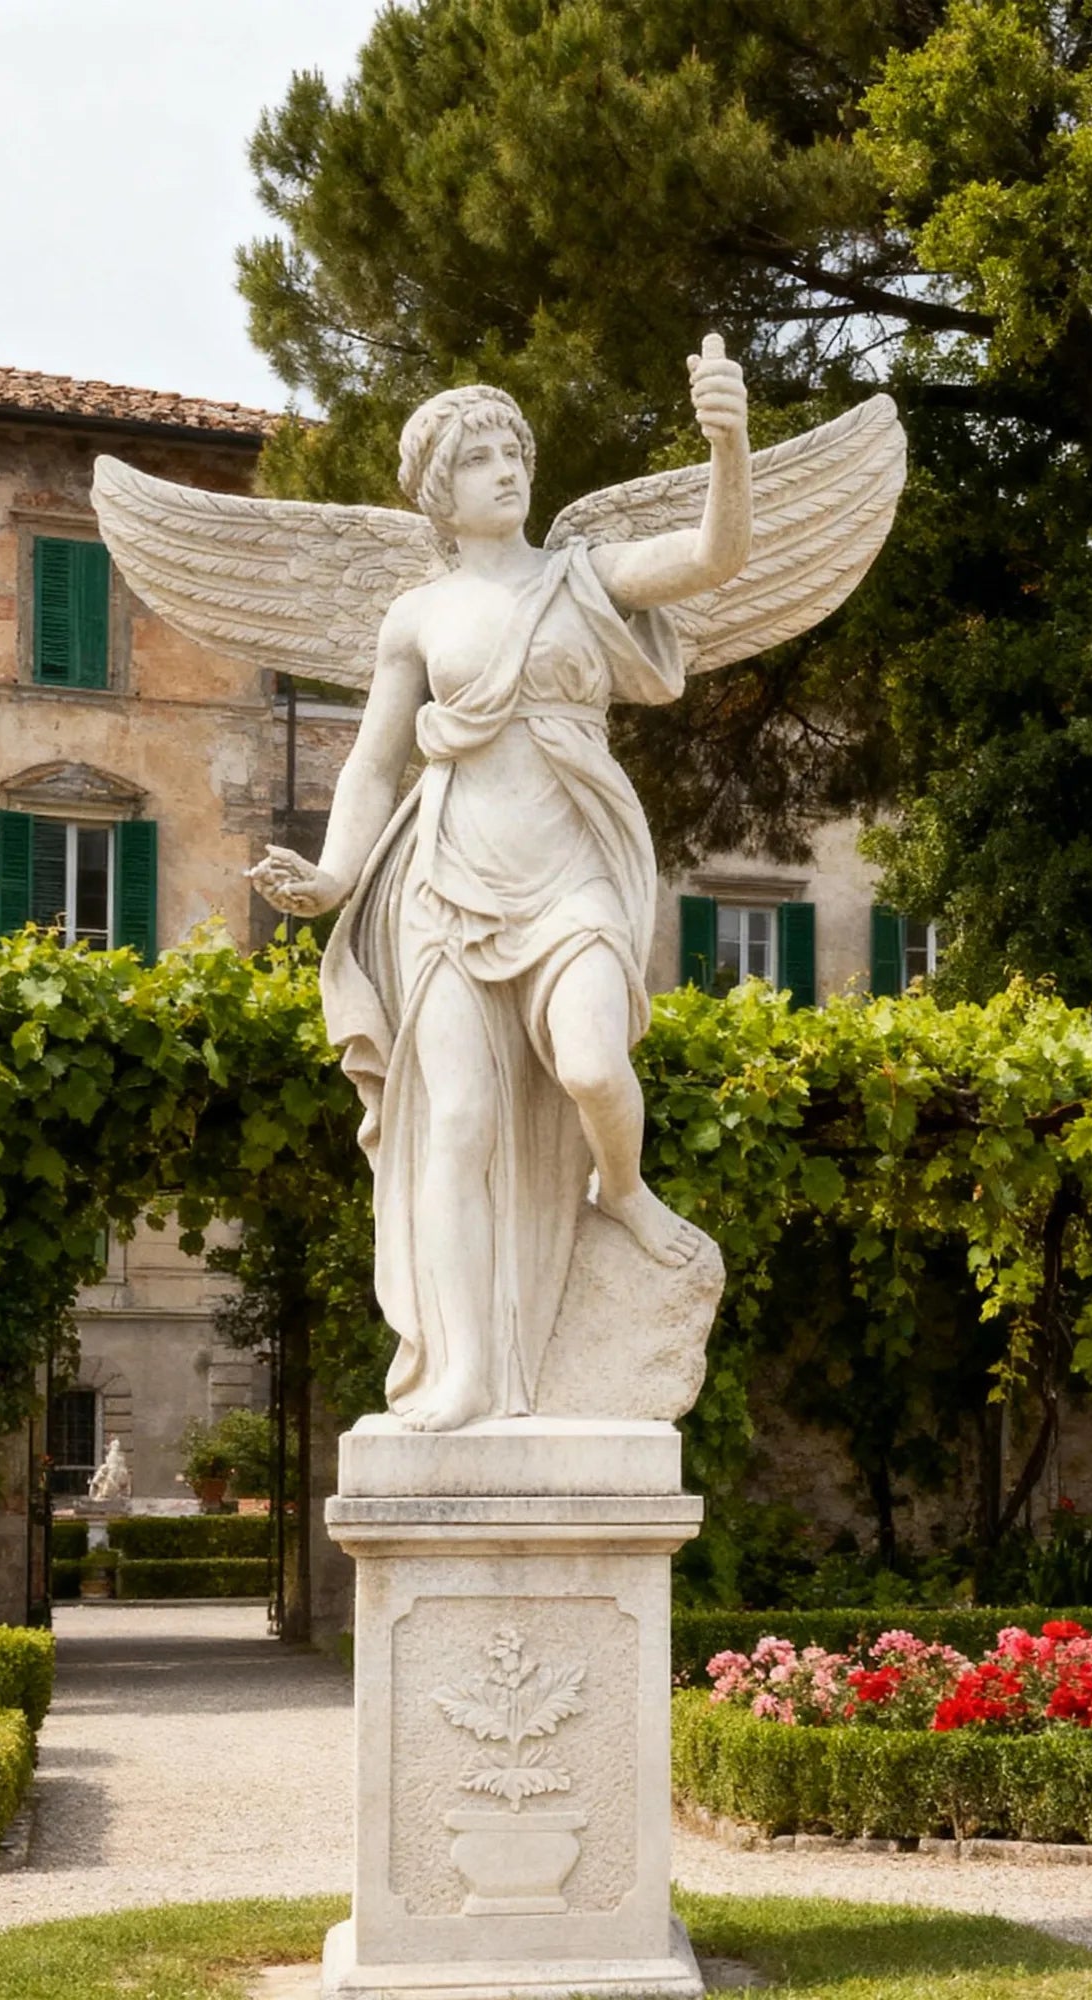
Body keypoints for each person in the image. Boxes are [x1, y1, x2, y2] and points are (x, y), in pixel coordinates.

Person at [248, 344, 753, 1432]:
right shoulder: (416, 617)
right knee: (457, 1121)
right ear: (439, 487)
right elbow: (374, 765)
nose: (504, 467)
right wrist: (335, 875)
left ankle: (617, 1184)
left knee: (591, 1061)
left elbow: (713, 555)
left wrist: (725, 443)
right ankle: (465, 1369)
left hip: (570, 873)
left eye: (513, 448)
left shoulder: (584, 574)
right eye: (477, 456)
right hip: (445, 881)